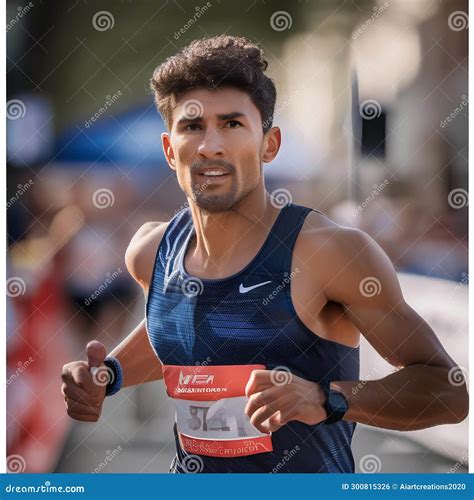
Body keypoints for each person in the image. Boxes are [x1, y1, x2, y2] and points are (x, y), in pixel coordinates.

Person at [61, 35, 468, 473]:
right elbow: (177, 331)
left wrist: (326, 397)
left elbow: (447, 391)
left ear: (269, 144)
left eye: (232, 124)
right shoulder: (151, 250)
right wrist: (110, 375)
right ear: (169, 149)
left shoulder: (329, 252)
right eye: (192, 126)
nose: (210, 146)